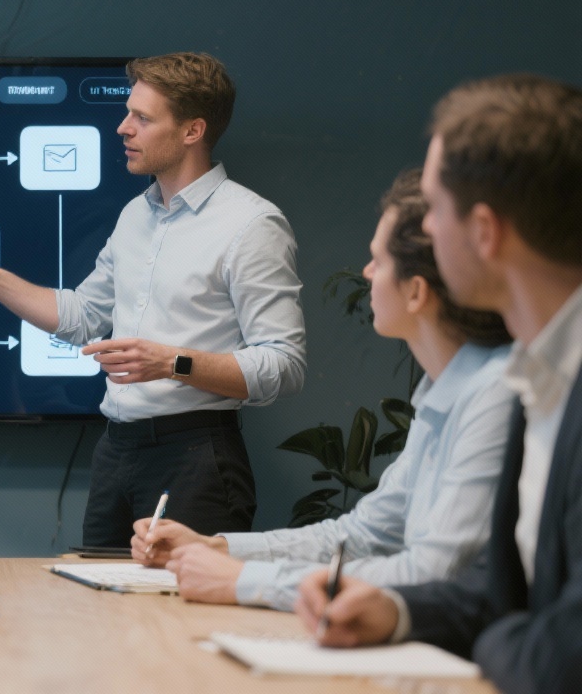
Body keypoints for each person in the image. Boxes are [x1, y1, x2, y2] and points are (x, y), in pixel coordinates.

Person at [0, 53, 306, 545]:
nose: (123, 128)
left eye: (143, 118)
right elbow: (82, 317)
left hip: (196, 456)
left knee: (177, 616)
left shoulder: (252, 225)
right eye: (128, 112)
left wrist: (174, 363)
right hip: (116, 451)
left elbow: (285, 365)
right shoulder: (135, 215)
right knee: (98, 609)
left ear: (192, 131)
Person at [294, 75, 582, 694]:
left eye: (434, 207)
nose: (423, 229)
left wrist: (498, 635)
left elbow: (562, 650)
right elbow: (500, 594)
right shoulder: (541, 374)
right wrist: (396, 611)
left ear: (484, 231)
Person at [130, 168, 516, 611]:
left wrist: (246, 580)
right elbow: (364, 536)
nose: (367, 273)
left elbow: (432, 574)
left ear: (416, 292)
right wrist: (218, 549)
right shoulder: (443, 389)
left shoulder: (494, 395)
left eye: (379, 260)